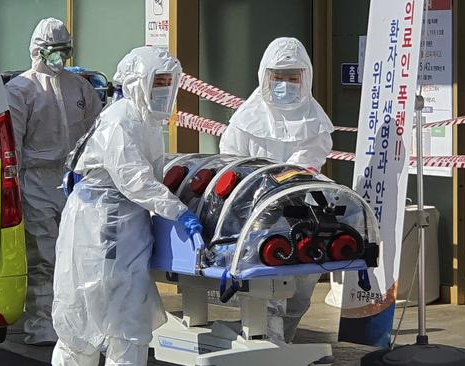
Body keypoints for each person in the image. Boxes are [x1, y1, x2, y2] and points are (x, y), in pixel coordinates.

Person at [51, 46, 203, 366]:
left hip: (124, 224)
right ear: (137, 82)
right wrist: (179, 212)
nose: (163, 90)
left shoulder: (143, 118)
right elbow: (134, 179)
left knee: (128, 321)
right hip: (100, 227)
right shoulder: (121, 120)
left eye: (168, 82)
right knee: (87, 320)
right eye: (157, 81)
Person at [219, 37, 334, 343]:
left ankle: (285, 344)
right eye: (278, 77)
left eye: (292, 77)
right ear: (265, 76)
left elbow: (308, 159)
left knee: (302, 285)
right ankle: (269, 349)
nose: (285, 84)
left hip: (303, 209)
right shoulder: (246, 118)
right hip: (256, 212)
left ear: (305, 77)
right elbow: (232, 159)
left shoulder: (315, 119)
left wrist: (286, 180)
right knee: (265, 287)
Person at [5, 18, 102, 346]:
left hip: (75, 181)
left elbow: (94, 135)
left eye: (65, 51)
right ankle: (42, 325)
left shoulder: (80, 88)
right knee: (45, 256)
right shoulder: (21, 89)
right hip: (36, 182)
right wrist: (14, 187)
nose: (60, 58)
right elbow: (13, 144)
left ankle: (77, 322)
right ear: (39, 51)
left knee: (79, 255)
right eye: (54, 51)